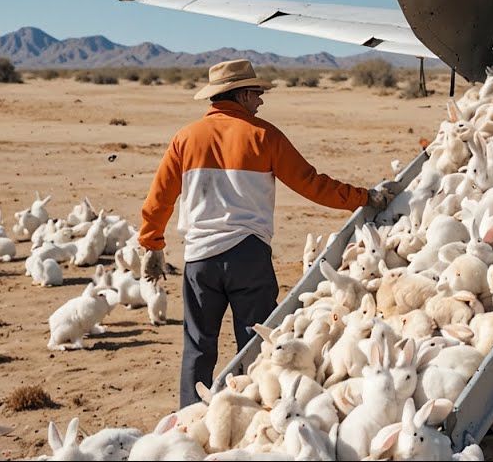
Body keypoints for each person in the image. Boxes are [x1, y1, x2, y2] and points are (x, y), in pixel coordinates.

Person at [137, 59, 398, 407]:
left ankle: (188, 419)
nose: (260, 101)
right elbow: (312, 184)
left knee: (199, 346)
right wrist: (364, 198)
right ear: (243, 94)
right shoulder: (264, 136)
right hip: (248, 256)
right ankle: (256, 411)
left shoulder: (185, 139)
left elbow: (159, 199)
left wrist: (151, 245)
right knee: (258, 342)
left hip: (200, 259)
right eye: (257, 94)